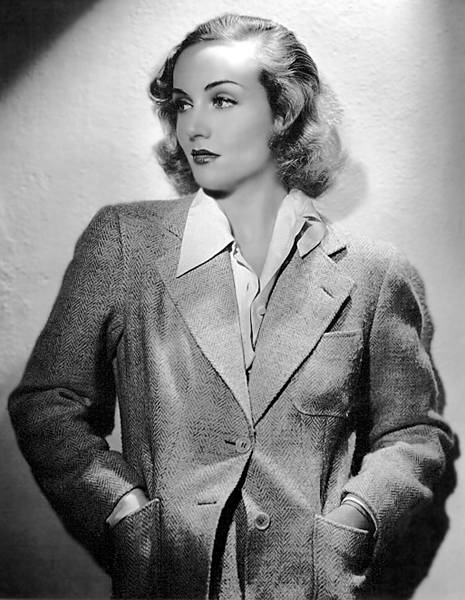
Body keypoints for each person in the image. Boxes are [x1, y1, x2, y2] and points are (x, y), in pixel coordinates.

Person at [8, 13, 456, 600]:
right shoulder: (124, 242)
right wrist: (122, 510)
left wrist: (356, 520)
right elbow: (49, 402)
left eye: (221, 100)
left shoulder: (373, 272)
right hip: (168, 578)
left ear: (284, 112)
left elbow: (413, 433)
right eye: (182, 104)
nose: (193, 126)